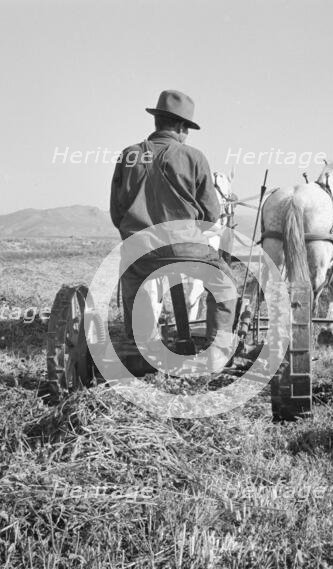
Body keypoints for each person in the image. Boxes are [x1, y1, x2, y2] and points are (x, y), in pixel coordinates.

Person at [109, 89, 237, 371]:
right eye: (187, 129)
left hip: (139, 250)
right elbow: (211, 214)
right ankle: (216, 356)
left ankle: (139, 354)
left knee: (134, 286)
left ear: (157, 122)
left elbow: (117, 212)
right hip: (187, 248)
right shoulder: (194, 157)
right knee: (225, 284)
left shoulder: (128, 155)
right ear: (181, 127)